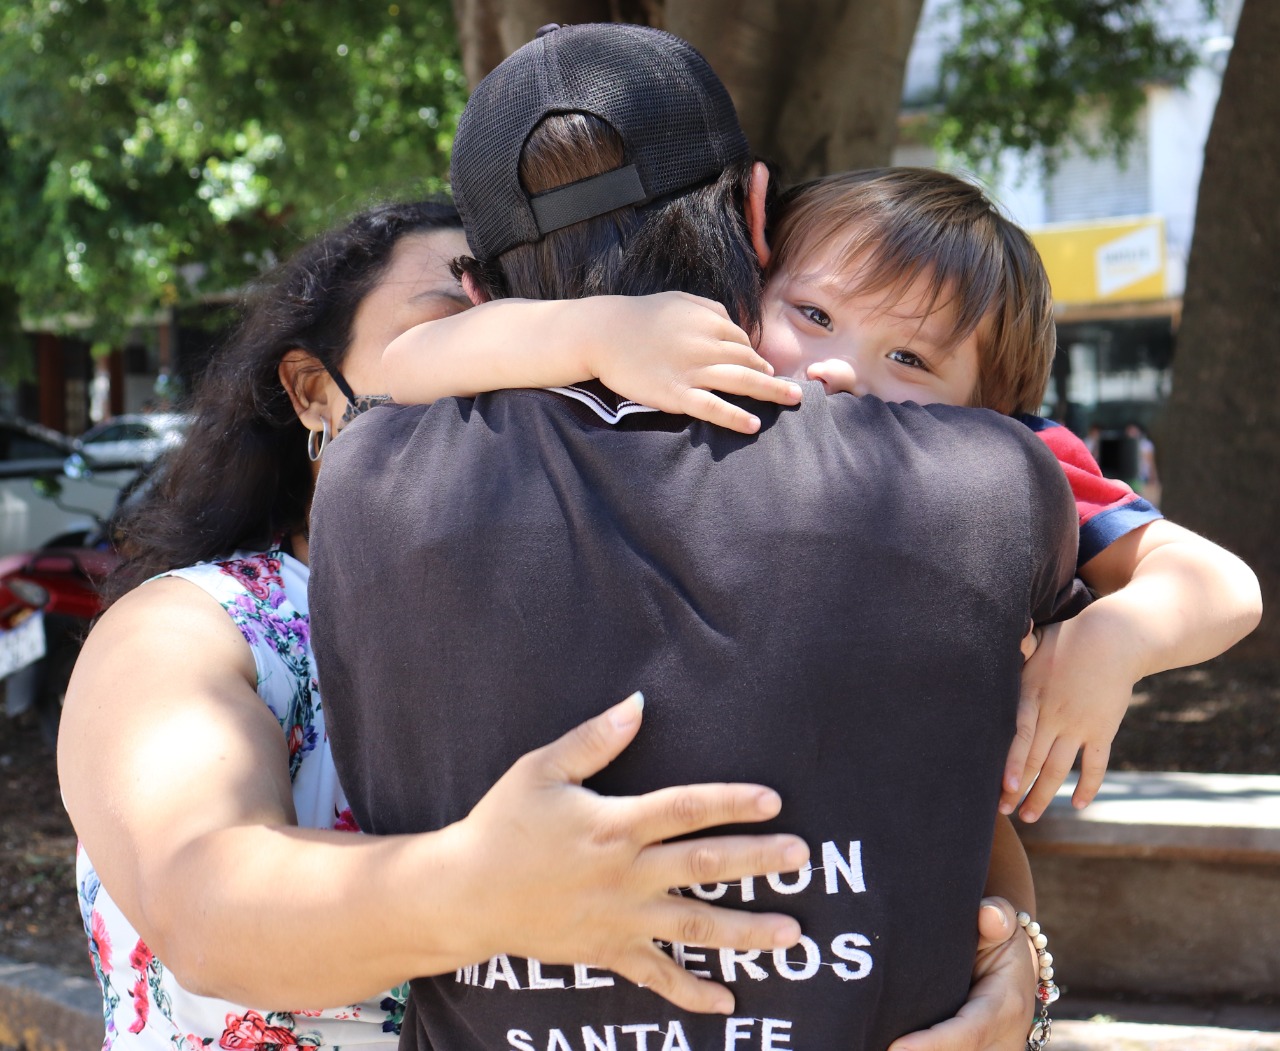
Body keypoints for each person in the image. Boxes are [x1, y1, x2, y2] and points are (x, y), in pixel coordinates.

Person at [308, 24, 1080, 1051]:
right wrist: (1021, 957)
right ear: (758, 214)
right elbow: (957, 795)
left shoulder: (364, 482)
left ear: (479, 293)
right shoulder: (990, 482)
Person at [56, 199, 820, 1050]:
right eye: (456, 330)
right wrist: (479, 887)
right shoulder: (195, 629)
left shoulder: (597, 619)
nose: (514, 372)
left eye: (541, 339)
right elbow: (204, 909)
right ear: (313, 391)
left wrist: (950, 975)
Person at [381, 166, 1259, 824]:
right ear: (748, 292)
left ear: (989, 407)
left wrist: (1111, 638)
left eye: (910, 359)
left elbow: (1223, 584)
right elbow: (406, 367)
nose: (837, 369)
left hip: (884, 839)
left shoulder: (1003, 458)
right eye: (813, 315)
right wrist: (601, 330)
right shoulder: (691, 386)